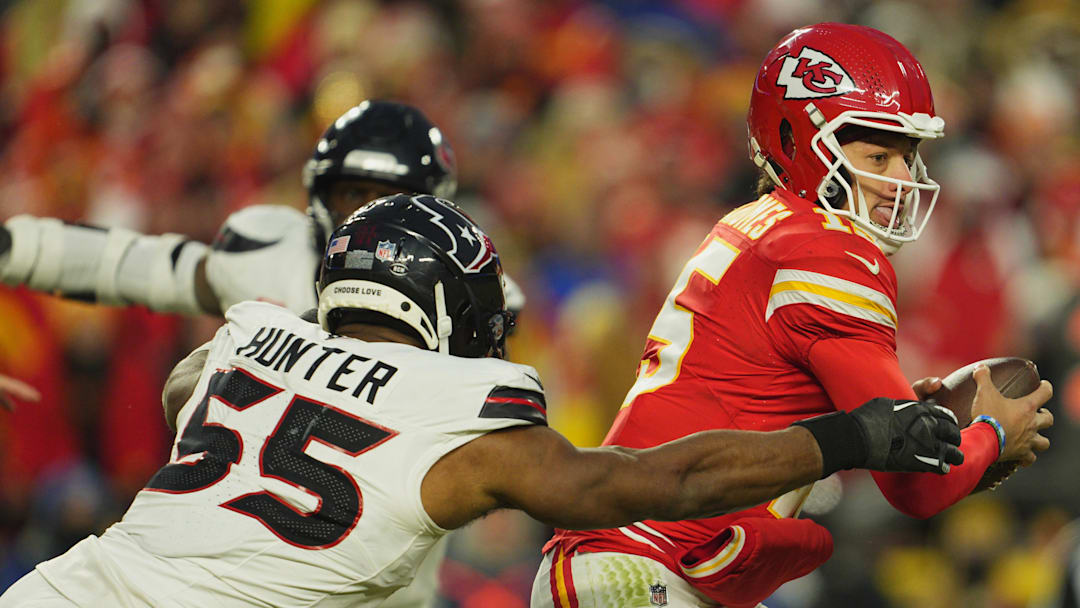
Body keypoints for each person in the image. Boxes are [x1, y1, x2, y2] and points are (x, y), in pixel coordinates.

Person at [0, 194, 968, 607]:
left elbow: (186, 388)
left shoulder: (243, 338)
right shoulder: (459, 410)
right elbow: (659, 478)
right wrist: (852, 433)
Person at [536, 22, 1056, 608]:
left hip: (637, 557)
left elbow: (763, 393)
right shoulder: (828, 250)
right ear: (800, 145)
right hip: (643, 563)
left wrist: (896, 404)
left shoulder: (764, 224)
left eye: (908, 155)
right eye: (878, 155)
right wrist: (991, 433)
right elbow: (916, 487)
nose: (902, 180)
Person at [0, 99, 512, 606]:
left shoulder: (466, 304)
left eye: (393, 198)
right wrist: (14, 247)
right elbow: (141, 265)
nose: (370, 218)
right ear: (318, 196)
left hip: (376, 587)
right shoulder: (269, 257)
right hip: (225, 572)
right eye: (355, 193)